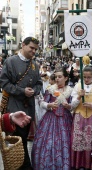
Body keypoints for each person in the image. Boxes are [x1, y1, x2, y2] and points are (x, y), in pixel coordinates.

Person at [0, 36, 42, 170]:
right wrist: (22, 91)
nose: (34, 51)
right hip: (14, 108)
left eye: (35, 49)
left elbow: (39, 84)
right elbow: (4, 83)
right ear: (23, 45)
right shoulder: (10, 61)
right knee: (19, 140)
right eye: (31, 48)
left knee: (23, 139)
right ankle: (24, 166)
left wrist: (34, 91)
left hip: (29, 109)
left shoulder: (36, 65)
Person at [32, 67, 73, 170]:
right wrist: (49, 105)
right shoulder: (50, 89)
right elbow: (42, 103)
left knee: (66, 142)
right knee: (48, 142)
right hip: (50, 118)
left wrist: (69, 106)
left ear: (66, 78)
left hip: (66, 119)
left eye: (60, 77)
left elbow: (74, 105)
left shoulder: (71, 91)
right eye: (56, 77)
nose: (57, 79)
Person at [70, 66, 92, 169]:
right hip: (79, 116)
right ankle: (78, 163)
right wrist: (79, 97)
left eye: (89, 77)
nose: (86, 79)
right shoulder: (77, 86)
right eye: (84, 77)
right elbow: (72, 105)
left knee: (91, 140)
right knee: (78, 139)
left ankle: (90, 163)